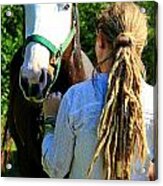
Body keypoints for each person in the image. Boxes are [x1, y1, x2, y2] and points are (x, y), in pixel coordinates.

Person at [41, 2, 156, 180]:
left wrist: (50, 122)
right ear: (140, 47)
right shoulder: (156, 102)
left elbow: (57, 169)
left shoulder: (75, 98)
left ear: (100, 42)